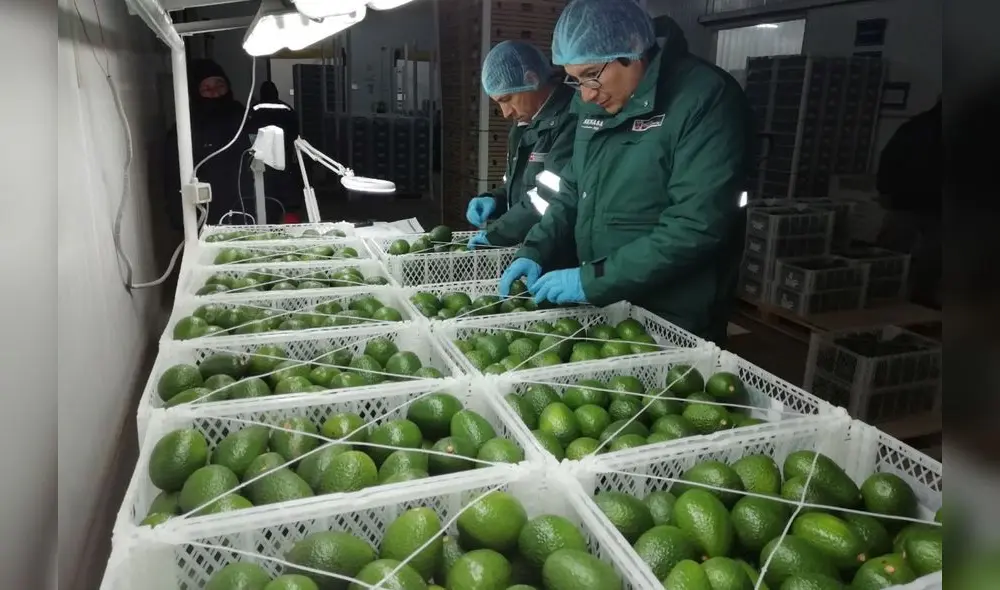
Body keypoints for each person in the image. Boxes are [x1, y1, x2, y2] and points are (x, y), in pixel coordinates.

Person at [498, 0, 756, 345]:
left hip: (675, 313)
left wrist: (591, 280)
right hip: (607, 302)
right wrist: (535, 248)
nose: (586, 95)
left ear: (633, 50)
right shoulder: (597, 102)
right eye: (575, 81)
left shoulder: (704, 99)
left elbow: (695, 225)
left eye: (592, 75)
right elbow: (572, 189)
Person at [466, 40, 577, 249]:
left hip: (557, 251)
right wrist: (496, 200)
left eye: (507, 99)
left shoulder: (571, 120)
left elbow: (551, 196)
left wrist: (499, 234)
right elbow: (518, 187)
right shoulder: (524, 125)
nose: (506, 112)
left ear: (531, 79)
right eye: (498, 102)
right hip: (529, 245)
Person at [164, 59, 262, 226]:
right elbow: (173, 176)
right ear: (196, 93)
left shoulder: (246, 118)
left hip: (248, 207)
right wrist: (179, 220)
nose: (216, 93)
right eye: (207, 89)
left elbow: (265, 162)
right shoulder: (185, 127)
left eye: (220, 85)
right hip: (205, 214)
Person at [875, 99, 942, 309]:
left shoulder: (914, 126)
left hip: (924, 205)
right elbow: (889, 160)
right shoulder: (916, 128)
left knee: (930, 259)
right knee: (892, 254)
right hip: (908, 203)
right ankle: (880, 297)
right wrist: (885, 191)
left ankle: (917, 303)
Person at [249, 80, 303, 222]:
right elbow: (295, 130)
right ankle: (287, 214)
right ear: (276, 92)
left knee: (265, 183)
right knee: (286, 183)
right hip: (283, 152)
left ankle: (268, 214)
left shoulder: (255, 108)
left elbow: (249, 130)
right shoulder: (286, 108)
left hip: (262, 154)